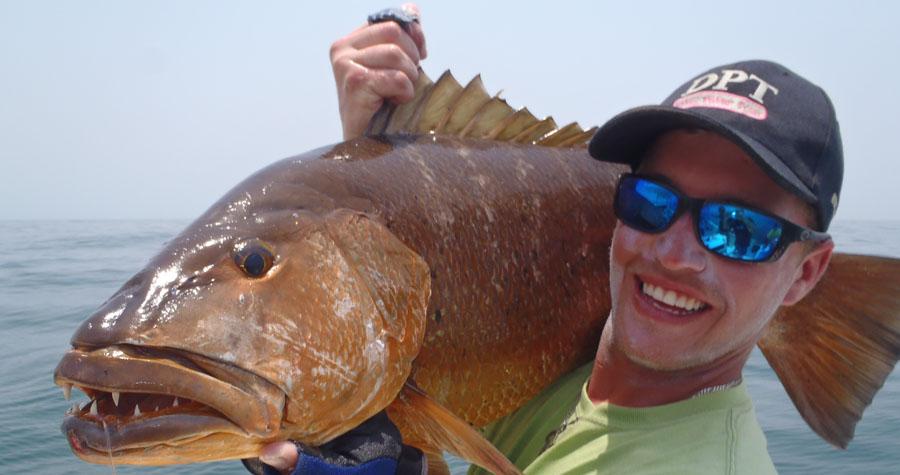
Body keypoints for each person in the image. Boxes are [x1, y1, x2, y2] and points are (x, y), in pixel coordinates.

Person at [258, 4, 842, 474]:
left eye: (740, 230)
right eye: (650, 201)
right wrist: (372, 162)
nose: (672, 252)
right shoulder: (583, 373)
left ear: (807, 273)